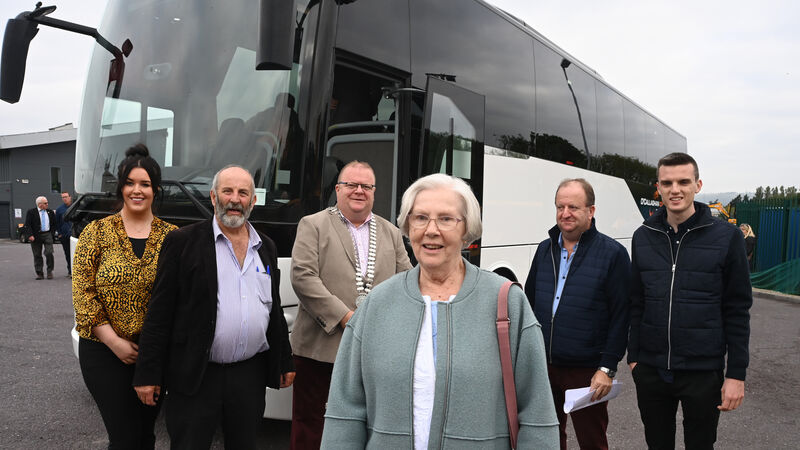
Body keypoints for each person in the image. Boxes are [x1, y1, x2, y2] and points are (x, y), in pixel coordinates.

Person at [321, 173, 560, 449]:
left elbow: (537, 415)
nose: (431, 230)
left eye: (446, 219)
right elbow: (346, 412)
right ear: (408, 227)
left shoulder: (507, 302)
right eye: (420, 217)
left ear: (466, 229)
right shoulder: (378, 304)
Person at [133, 165, 295, 450]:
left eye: (243, 193)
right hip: (196, 376)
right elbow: (159, 314)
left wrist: (284, 360)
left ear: (253, 201)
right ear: (213, 197)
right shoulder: (182, 243)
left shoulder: (265, 247)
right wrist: (148, 374)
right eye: (227, 191)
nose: (235, 199)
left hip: (249, 375)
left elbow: (273, 310)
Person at [628, 152, 752, 449]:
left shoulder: (727, 237)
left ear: (698, 185)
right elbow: (637, 301)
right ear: (657, 187)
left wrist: (736, 373)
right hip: (651, 369)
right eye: (667, 183)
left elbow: (737, 309)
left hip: (702, 372)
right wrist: (634, 358)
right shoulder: (643, 236)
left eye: (683, 181)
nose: (675, 189)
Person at [289, 160, 412, 449]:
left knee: (364, 425)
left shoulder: (391, 233)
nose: (359, 191)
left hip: (374, 348)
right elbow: (303, 277)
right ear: (338, 189)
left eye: (366, 186)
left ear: (374, 191)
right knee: (312, 425)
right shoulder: (313, 224)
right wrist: (346, 317)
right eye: (351, 185)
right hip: (320, 349)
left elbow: (408, 281)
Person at [72, 144, 177, 448]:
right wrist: (114, 342)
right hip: (104, 351)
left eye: (145, 184)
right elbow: (83, 294)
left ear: (155, 190)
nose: (137, 190)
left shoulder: (173, 236)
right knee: (124, 435)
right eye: (130, 183)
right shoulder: (96, 232)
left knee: (146, 434)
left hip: (153, 352)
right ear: (121, 187)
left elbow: (179, 296)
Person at [524, 178, 630, 450]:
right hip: (545, 366)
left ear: (591, 211)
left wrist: (606, 368)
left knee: (591, 441)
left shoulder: (613, 254)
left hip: (587, 371)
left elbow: (621, 316)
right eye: (560, 207)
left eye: (573, 206)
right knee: (547, 438)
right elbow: (529, 301)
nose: (565, 213)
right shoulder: (544, 249)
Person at [24, 196, 56, 279]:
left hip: (47, 234)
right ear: (39, 204)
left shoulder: (50, 212)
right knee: (37, 254)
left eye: (47, 203)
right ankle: (39, 273)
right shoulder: (31, 212)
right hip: (36, 235)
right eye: (45, 203)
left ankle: (50, 271)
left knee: (49, 253)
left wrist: (52, 234)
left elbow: (54, 224)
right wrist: (30, 235)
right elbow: (28, 225)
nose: (47, 204)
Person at [55, 192, 74, 277]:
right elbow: (57, 222)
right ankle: (70, 271)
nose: (64, 199)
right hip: (64, 236)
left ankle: (77, 271)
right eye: (62, 197)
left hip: (75, 234)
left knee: (77, 254)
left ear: (70, 197)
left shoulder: (75, 207)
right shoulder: (59, 209)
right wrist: (60, 233)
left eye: (66, 197)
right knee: (68, 254)